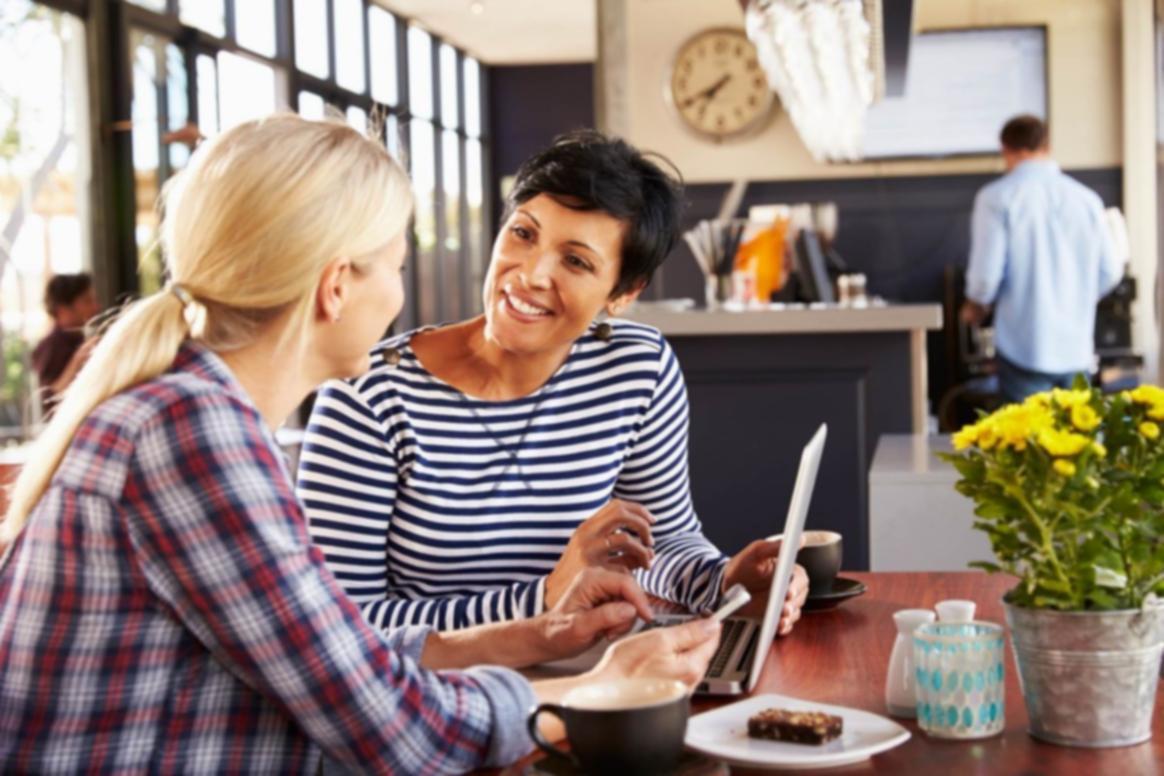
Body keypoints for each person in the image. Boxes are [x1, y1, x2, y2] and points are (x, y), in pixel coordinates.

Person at [0, 115, 720, 773]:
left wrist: (542, 634)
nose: (403, 300)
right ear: (336, 287)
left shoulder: (194, 414)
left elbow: (341, 651)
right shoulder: (191, 440)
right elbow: (403, 731)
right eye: (398, 265)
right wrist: (596, 692)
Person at [297, 129, 809, 638]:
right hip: (438, 695)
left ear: (624, 292)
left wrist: (723, 583)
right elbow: (339, 625)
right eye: (523, 233)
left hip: (599, 672)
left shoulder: (637, 367)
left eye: (576, 261)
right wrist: (543, 600)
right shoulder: (367, 395)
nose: (532, 274)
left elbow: (666, 541)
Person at [960, 114, 1123, 403]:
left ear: (1006, 150)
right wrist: (1078, 294)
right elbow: (1111, 270)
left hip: (1025, 347)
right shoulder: (1087, 199)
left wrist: (974, 306)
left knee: (1029, 443)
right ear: (1047, 145)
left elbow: (985, 278)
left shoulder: (997, 197)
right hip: (1076, 349)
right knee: (1076, 442)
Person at [31, 272, 101, 412]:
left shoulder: (81, 338)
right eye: (87, 301)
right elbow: (48, 401)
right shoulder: (51, 346)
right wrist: (77, 361)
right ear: (63, 309)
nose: (96, 307)